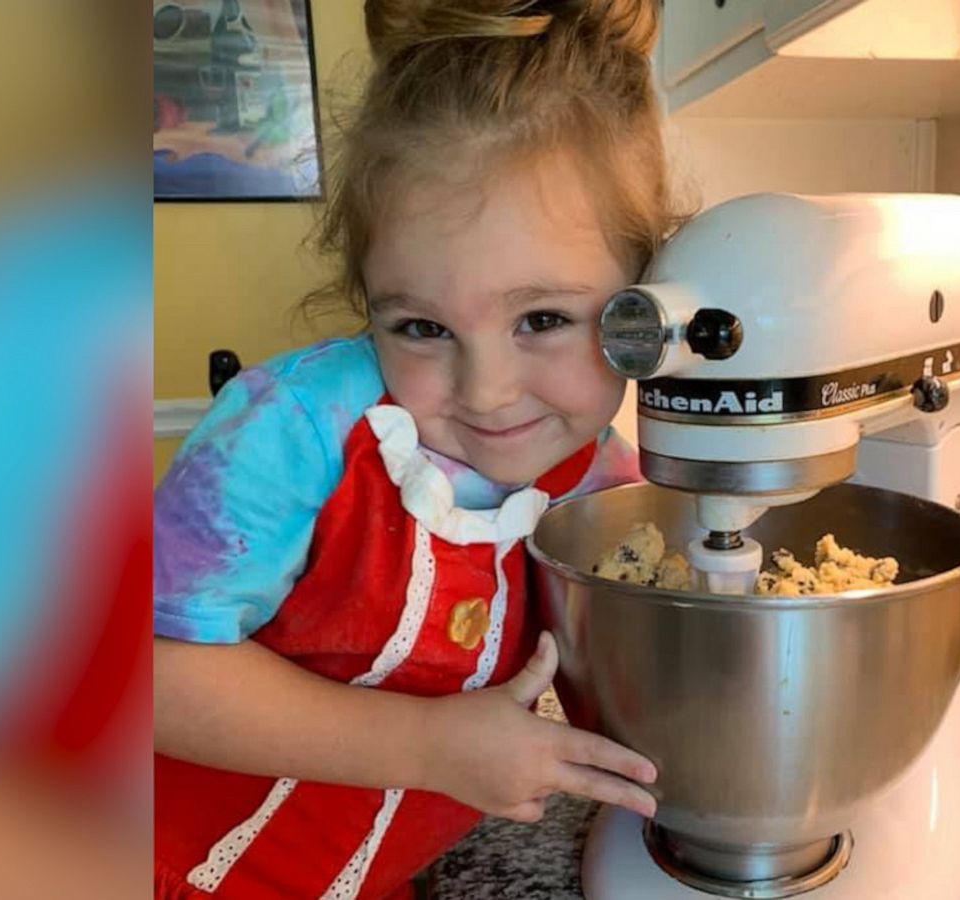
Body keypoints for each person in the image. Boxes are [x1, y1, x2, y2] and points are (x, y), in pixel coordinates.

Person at [152, 2, 686, 897]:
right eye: (422, 326)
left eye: (544, 319)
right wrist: (429, 748)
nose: (485, 392)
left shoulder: (597, 477)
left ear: (645, 300)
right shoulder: (292, 433)